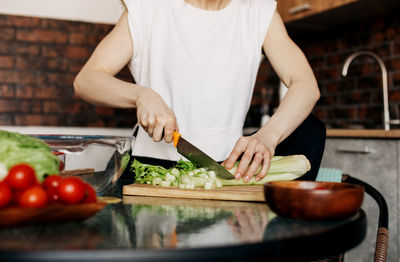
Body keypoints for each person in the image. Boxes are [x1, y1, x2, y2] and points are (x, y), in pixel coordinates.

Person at [74, 0, 324, 182]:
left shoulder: (259, 13)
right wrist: (142, 95)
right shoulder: (148, 9)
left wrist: (268, 136)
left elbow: (305, 84)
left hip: (227, 171)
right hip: (150, 167)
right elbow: (87, 80)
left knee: (311, 129)